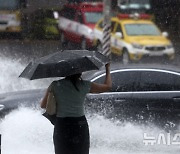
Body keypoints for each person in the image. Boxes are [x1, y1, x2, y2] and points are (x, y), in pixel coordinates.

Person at [40, 63, 112, 154]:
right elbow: (108, 87)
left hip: (62, 125)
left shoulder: (55, 85)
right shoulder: (85, 85)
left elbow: (43, 105)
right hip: (79, 125)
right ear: (80, 73)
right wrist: (107, 68)